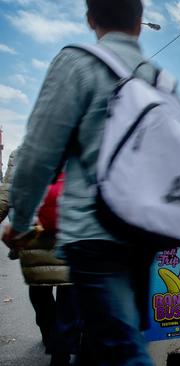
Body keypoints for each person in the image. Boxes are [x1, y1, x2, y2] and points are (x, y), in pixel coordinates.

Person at [3, 1, 166, 364]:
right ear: (140, 24)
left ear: (90, 19)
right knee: (106, 342)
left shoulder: (76, 64)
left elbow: (37, 155)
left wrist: (22, 220)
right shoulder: (156, 76)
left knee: (121, 348)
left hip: (94, 236)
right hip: (142, 235)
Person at [1, 149, 80, 366]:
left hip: (33, 231)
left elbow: (7, 192)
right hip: (70, 230)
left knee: (39, 289)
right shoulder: (77, 146)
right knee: (68, 291)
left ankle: (49, 336)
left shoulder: (21, 152)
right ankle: (61, 346)